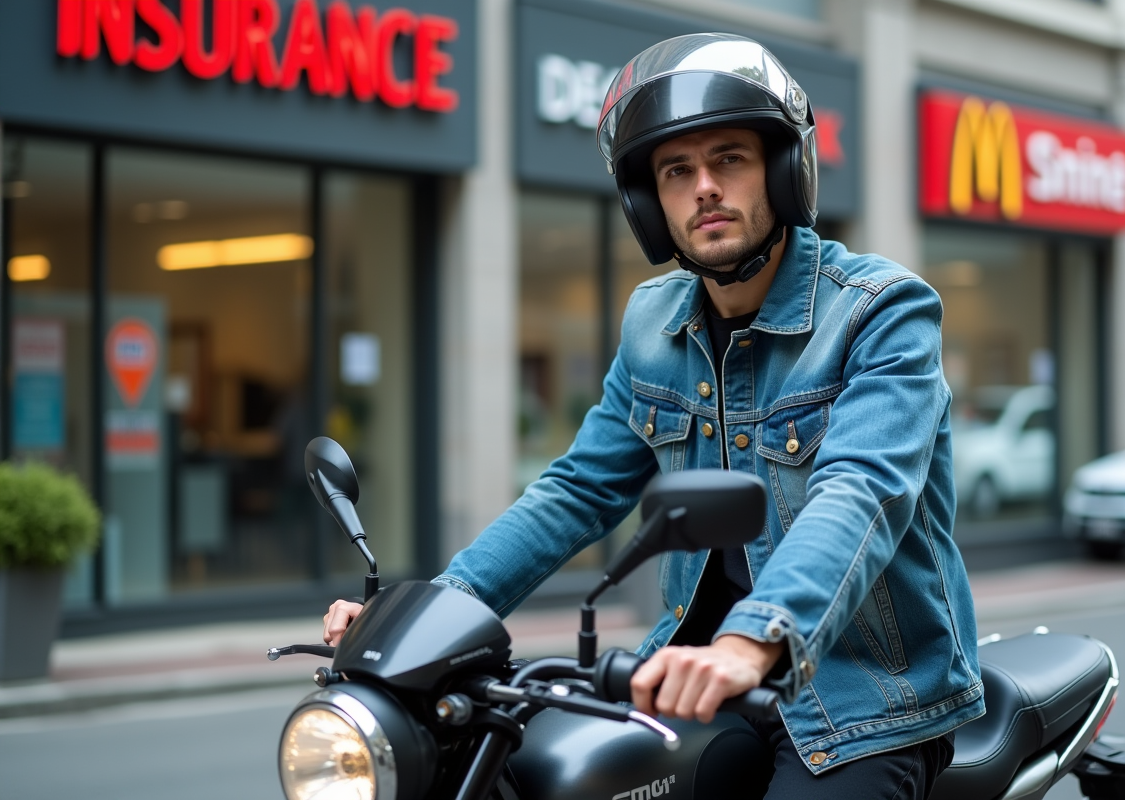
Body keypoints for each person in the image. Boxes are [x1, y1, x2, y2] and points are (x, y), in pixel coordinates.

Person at [324, 33, 983, 799]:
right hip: (692, 677)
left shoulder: (880, 310)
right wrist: (430, 615)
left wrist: (751, 640)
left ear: (780, 168)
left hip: (867, 697)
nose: (704, 187)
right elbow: (576, 490)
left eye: (729, 159)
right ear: (649, 202)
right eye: (677, 171)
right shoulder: (653, 323)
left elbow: (862, 491)